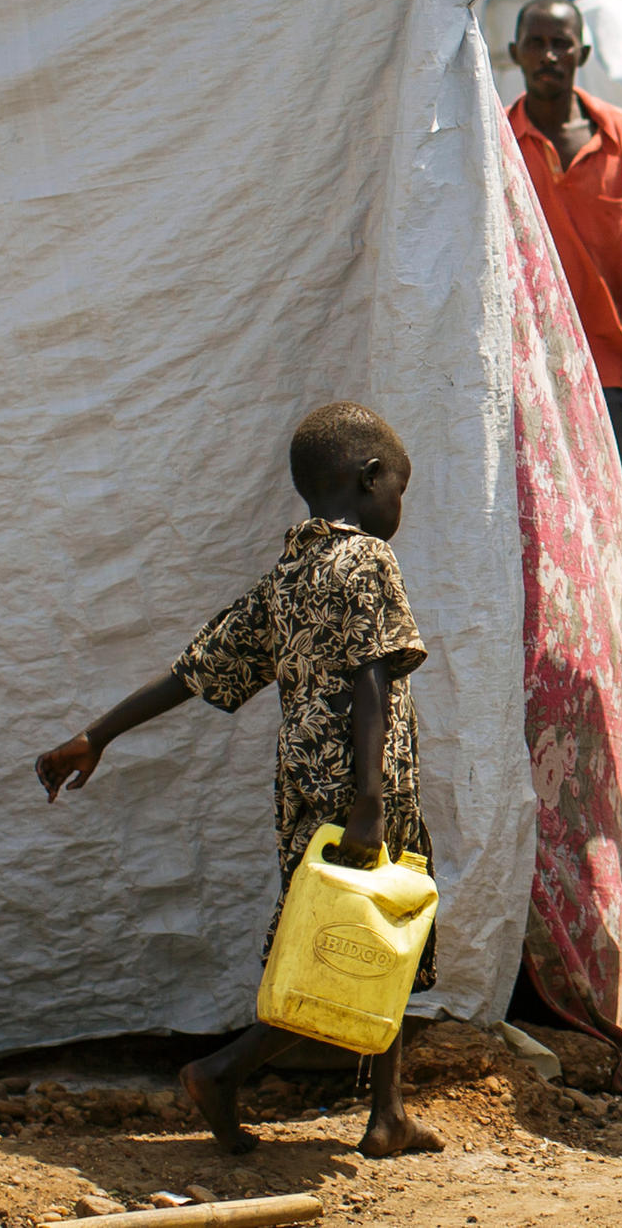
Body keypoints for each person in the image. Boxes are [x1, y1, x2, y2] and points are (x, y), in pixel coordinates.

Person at [32, 401, 444, 1159]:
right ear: (368, 478)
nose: (400, 507)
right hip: (364, 790)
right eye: (401, 489)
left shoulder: (290, 574)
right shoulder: (368, 562)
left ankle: (387, 1113)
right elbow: (372, 683)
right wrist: (370, 804)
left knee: (370, 935)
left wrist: (99, 735)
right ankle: (223, 1071)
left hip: (300, 794)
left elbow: (194, 669)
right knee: (353, 943)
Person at [506, 0, 622, 472]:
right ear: (515, 53)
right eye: (536, 44)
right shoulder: (496, 141)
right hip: (518, 366)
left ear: (582, 54)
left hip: (604, 363)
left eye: (561, 44)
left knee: (609, 513)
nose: (549, 56)